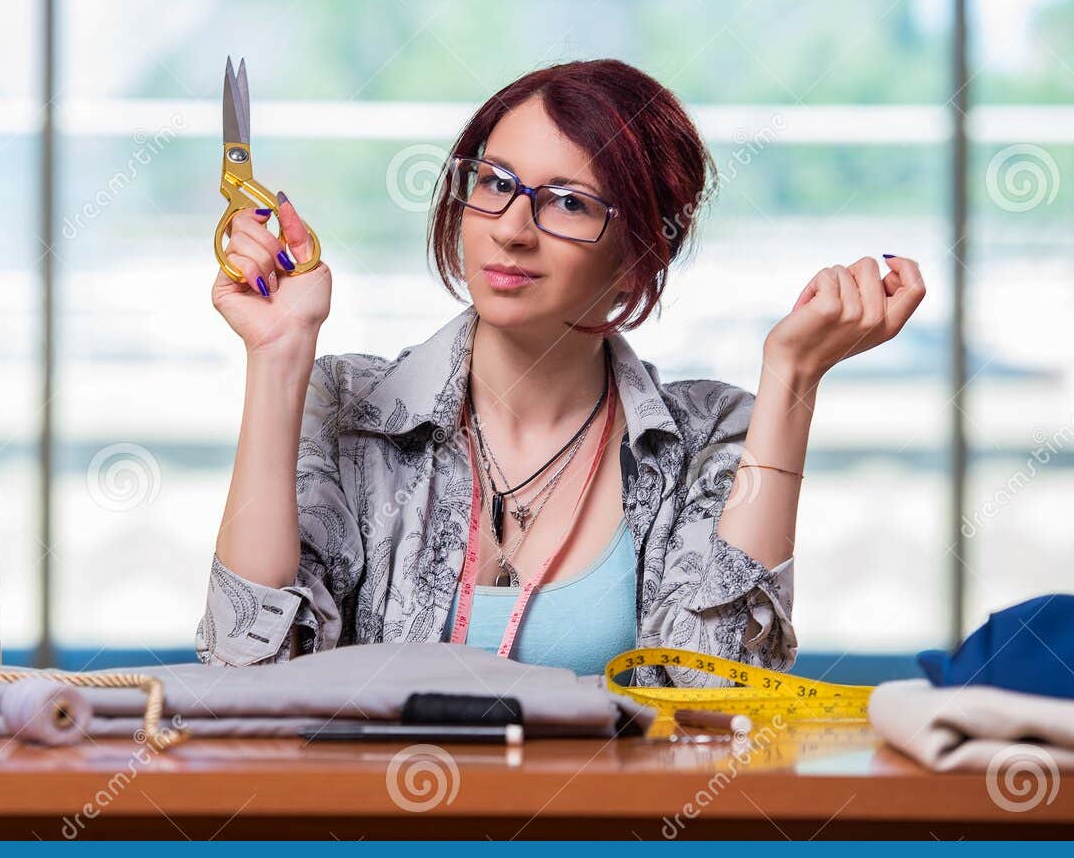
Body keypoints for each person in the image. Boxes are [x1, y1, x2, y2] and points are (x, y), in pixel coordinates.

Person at [198, 59, 924, 687]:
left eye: (570, 203)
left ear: (641, 253)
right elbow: (240, 674)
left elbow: (722, 704)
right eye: (495, 183)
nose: (512, 228)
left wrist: (792, 378)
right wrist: (279, 355)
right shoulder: (347, 407)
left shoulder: (712, 437)